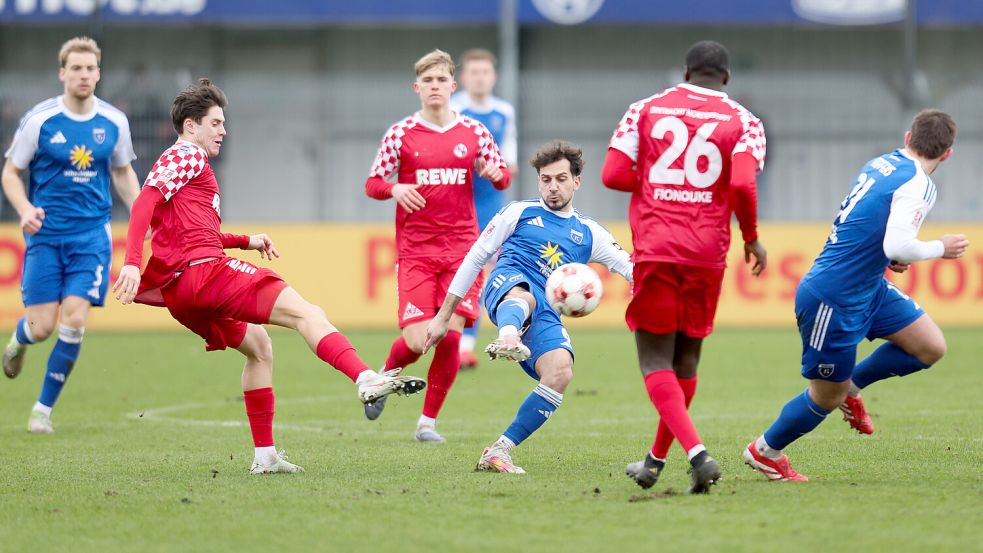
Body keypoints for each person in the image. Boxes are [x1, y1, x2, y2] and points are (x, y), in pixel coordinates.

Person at [112, 79, 425, 474]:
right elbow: (144, 202)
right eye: (215, 123)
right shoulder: (187, 155)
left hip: (181, 292)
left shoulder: (181, 166)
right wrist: (130, 261)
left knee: (260, 347)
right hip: (205, 274)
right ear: (191, 126)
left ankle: (265, 457)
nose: (223, 131)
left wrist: (246, 240)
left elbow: (190, 232)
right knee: (307, 313)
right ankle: (365, 378)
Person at [743, 110, 968, 482]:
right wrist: (939, 248)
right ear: (947, 154)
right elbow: (898, 243)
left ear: (908, 137)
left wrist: (890, 256)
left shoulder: (882, 163)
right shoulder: (920, 185)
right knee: (825, 397)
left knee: (930, 346)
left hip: (868, 287)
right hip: (833, 298)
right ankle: (765, 451)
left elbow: (870, 225)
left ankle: (852, 387)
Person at [601, 40, 767, 493]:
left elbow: (612, 175)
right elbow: (743, 185)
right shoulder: (746, 122)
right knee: (687, 358)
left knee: (655, 359)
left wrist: (656, 181)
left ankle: (698, 456)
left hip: (657, 245)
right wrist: (751, 237)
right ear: (726, 78)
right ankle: (654, 461)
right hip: (707, 252)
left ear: (686, 71)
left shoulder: (645, 109)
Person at [425, 140, 632, 473]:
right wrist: (443, 316)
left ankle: (499, 451)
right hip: (507, 283)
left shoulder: (589, 233)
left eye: (561, 179)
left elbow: (632, 269)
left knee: (560, 371)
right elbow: (476, 257)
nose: (553, 187)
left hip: (546, 310)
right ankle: (507, 337)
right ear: (538, 181)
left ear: (577, 181)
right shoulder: (518, 212)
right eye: (546, 179)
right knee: (524, 297)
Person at [363, 49, 511, 441]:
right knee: (418, 341)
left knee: (450, 334)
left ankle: (427, 423)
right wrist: (394, 188)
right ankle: (383, 377)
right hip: (416, 251)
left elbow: (502, 177)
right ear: (417, 87)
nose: (434, 86)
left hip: (463, 250)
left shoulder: (475, 132)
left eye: (441, 80)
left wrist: (495, 174)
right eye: (427, 81)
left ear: (452, 86)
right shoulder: (401, 133)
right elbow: (373, 183)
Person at [1, 37, 142, 433]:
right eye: (76, 68)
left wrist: (141, 213)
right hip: (46, 236)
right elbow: (11, 173)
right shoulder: (40, 120)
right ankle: (19, 341)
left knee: (75, 318)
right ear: (62, 73)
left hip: (92, 236)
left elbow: (122, 172)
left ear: (98, 73)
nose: (84, 75)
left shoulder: (114, 122)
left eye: (90, 68)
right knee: (42, 326)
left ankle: (41, 411)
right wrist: (25, 209)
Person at [449, 48, 519, 370]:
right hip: (456, 205)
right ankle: (451, 339)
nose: (480, 78)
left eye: (485, 72)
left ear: (494, 77)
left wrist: (498, 167)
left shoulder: (504, 112)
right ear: (463, 78)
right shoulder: (453, 109)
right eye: (474, 72)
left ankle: (466, 346)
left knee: (484, 273)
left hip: (491, 205)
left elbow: (509, 162)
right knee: (459, 273)